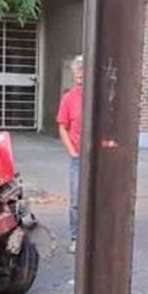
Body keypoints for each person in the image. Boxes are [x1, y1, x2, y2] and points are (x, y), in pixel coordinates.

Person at [57, 55, 84, 253]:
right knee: (76, 200)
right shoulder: (69, 98)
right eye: (76, 74)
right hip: (79, 157)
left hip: (97, 159)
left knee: (97, 200)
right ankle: (75, 237)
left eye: (82, 74)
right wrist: (72, 151)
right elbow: (62, 127)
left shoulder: (99, 97)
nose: (79, 77)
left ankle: (94, 236)